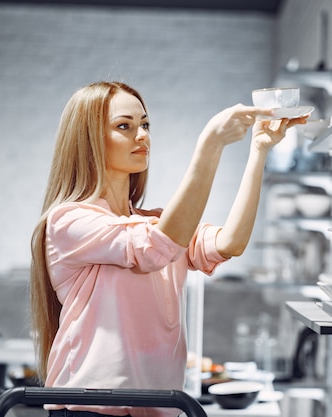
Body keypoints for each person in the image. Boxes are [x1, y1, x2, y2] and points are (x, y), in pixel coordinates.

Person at [30, 81, 308, 417]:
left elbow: (230, 242)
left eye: (145, 124)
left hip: (161, 407)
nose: (142, 135)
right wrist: (210, 145)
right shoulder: (70, 221)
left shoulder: (156, 222)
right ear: (88, 141)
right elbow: (156, 247)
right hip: (91, 411)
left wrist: (259, 150)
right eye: (124, 126)